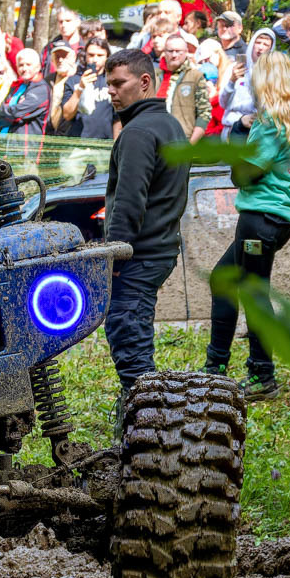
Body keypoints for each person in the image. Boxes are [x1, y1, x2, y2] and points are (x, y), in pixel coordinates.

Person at [203, 50, 290, 399]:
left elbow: (241, 174)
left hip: (260, 218)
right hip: (279, 217)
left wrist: (240, 133)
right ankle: (215, 366)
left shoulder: (270, 126)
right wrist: (242, 126)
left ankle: (262, 375)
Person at [101, 48, 191, 403]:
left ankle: (148, 415)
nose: (111, 91)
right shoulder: (170, 125)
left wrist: (115, 255)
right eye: (108, 84)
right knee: (133, 331)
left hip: (139, 255)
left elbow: (129, 201)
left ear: (144, 82)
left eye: (118, 83)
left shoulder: (138, 133)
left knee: (129, 340)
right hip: (160, 249)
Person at [60, 38, 114, 140]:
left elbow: (118, 118)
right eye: (91, 55)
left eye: (100, 55)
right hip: (78, 143)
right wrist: (80, 88)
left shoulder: (112, 81)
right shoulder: (73, 80)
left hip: (105, 144)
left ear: (107, 57)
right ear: (85, 56)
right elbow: (67, 115)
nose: (95, 59)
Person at [161, 36, 212, 143]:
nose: (174, 55)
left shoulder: (196, 77)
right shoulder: (155, 75)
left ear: (186, 52)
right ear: (164, 52)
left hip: (182, 140)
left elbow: (204, 113)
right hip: (155, 138)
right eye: (170, 51)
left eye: (178, 51)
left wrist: (191, 144)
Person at [0, 48, 50, 138]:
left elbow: (17, 114)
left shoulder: (41, 89)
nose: (24, 68)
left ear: (38, 67)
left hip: (24, 145)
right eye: (21, 65)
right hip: (4, 141)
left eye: (28, 64)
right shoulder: (16, 86)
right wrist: (6, 111)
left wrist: (6, 110)